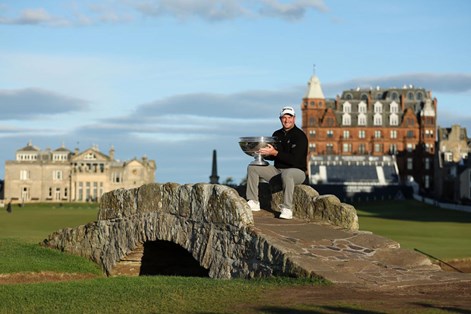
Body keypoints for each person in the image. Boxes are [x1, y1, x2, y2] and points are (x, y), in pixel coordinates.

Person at [246, 106, 308, 219]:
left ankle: (287, 209)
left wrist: (275, 153)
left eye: (289, 117)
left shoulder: (300, 136)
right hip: (277, 171)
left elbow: (295, 160)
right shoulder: (277, 134)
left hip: (297, 172)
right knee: (253, 167)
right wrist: (263, 153)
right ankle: (254, 201)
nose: (287, 120)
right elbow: (274, 156)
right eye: (284, 117)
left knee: (287, 173)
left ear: (294, 118)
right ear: (280, 119)